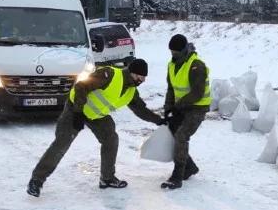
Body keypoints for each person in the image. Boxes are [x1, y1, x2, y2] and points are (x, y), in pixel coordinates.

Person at [26, 59, 165, 197]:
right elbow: (81, 86)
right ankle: (36, 180)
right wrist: (78, 112)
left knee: (111, 139)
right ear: (132, 73)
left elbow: (141, 110)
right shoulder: (109, 74)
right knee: (62, 142)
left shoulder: (131, 91)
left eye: (144, 77)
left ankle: (107, 178)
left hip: (97, 116)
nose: (142, 80)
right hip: (75, 109)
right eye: (140, 77)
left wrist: (159, 121)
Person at [162, 34, 211, 190]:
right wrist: (168, 107)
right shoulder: (172, 65)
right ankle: (189, 167)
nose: (173, 55)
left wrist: (178, 105)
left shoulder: (196, 65)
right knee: (172, 130)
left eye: (176, 52)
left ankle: (178, 175)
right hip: (181, 107)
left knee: (181, 135)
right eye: (171, 52)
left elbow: (198, 93)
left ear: (184, 50)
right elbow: (171, 88)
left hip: (198, 107)